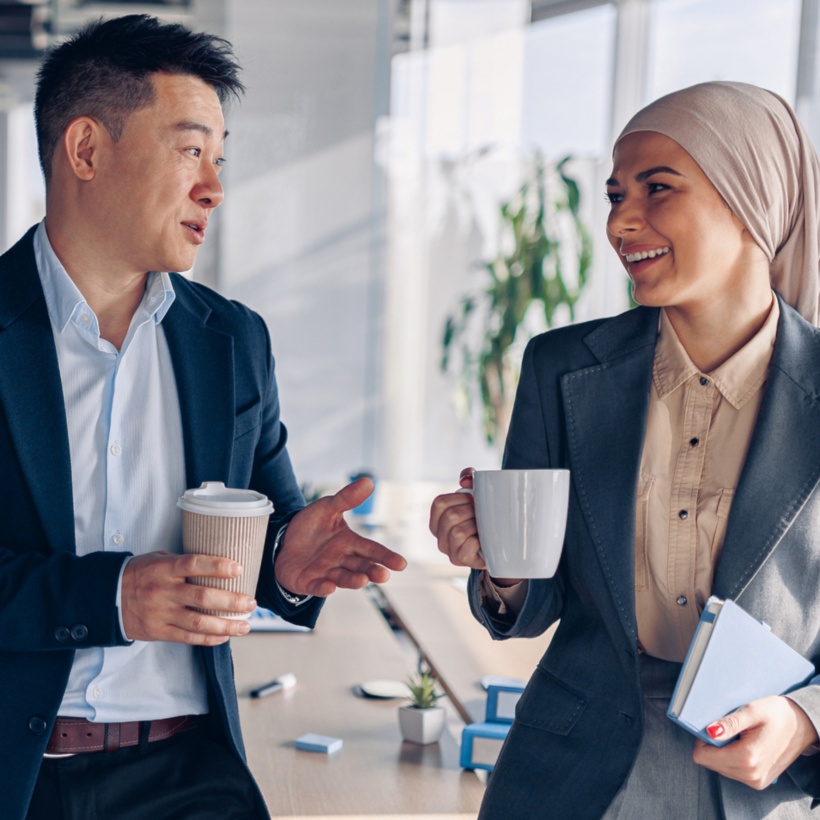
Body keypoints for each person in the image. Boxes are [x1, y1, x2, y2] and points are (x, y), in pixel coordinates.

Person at [2, 14, 406, 819]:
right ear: (86, 150)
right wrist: (110, 597)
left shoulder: (232, 341)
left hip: (189, 776)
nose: (214, 186)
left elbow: (262, 529)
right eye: (190, 150)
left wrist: (290, 564)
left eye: (220, 159)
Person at [430, 81, 820, 819]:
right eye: (615, 195)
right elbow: (536, 594)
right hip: (564, 774)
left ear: (750, 201)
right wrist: (498, 565)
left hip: (751, 787)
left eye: (656, 189)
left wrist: (805, 720)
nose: (621, 221)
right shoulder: (563, 367)